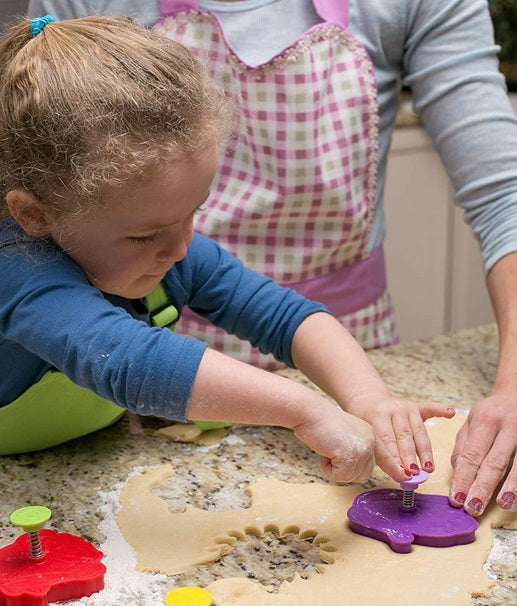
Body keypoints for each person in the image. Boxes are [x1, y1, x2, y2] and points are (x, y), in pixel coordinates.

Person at [24, 0, 517, 519]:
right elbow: (131, 360)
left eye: (196, 212)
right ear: (37, 214)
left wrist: (367, 398)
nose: (181, 249)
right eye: (146, 234)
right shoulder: (23, 270)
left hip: (327, 362)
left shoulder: (170, 244)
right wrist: (305, 408)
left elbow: (284, 314)